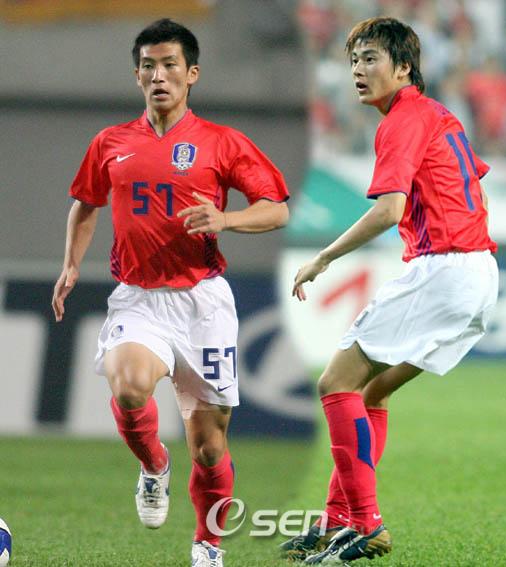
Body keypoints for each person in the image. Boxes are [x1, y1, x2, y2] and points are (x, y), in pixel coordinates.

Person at [51, 18, 289, 567]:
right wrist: (70, 265)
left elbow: (276, 208)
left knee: (209, 447)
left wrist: (226, 220)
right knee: (130, 386)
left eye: (169, 65)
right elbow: (86, 205)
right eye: (148, 66)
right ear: (137, 76)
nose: (159, 75)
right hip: (138, 297)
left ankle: (207, 545)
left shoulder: (222, 142)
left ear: (192, 74)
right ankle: (154, 466)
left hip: (203, 301)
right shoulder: (110, 143)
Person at [281, 16, 498, 564]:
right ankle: (337, 520)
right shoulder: (439, 114)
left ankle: (366, 523)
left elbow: (388, 211)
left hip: (444, 268)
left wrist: (323, 258)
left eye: (371, 58)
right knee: (371, 392)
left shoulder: (401, 119)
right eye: (354, 59)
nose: (358, 69)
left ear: (404, 68)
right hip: (479, 272)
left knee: (335, 382)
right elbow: (474, 186)